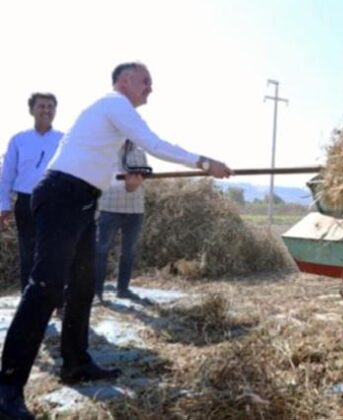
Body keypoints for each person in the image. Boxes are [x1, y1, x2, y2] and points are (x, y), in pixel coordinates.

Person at [0, 62, 232, 420]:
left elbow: (97, 172)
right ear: (125, 81)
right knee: (45, 287)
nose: (150, 89)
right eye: (146, 82)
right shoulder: (114, 104)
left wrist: (127, 180)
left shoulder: (106, 120)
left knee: (81, 286)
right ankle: (7, 389)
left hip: (79, 198)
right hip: (61, 195)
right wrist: (203, 162)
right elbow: (152, 143)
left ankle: (76, 363)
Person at [0, 93, 64, 292]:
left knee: (56, 252)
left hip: (56, 202)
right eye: (41, 106)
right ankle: (27, 298)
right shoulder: (19, 140)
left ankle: (57, 300)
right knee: (28, 252)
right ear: (32, 110)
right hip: (26, 201)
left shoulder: (64, 140)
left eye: (50, 107)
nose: (46, 110)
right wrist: (4, 205)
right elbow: (7, 173)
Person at [94, 140, 148, 303]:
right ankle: (97, 292)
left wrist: (136, 181)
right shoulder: (106, 149)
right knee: (101, 251)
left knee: (128, 251)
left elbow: (144, 176)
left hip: (135, 208)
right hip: (109, 207)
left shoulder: (140, 152)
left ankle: (123, 289)